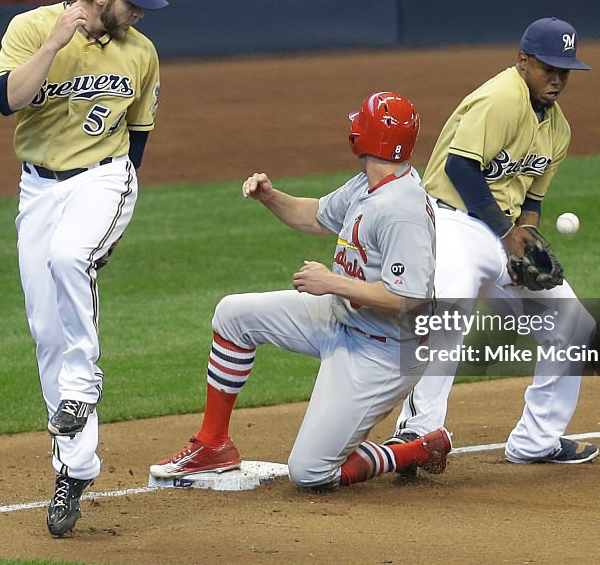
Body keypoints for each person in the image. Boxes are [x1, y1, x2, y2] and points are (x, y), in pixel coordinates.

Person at [150, 92, 452, 491]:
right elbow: (315, 217)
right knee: (233, 315)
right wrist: (269, 197)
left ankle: (414, 448)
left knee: (311, 472)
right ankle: (213, 444)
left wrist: (332, 283)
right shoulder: (370, 184)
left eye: (359, 121)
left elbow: (409, 298)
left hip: (383, 350)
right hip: (341, 318)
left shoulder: (403, 209)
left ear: (366, 135)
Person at [0, 0, 168, 536]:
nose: (140, 13)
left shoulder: (142, 54)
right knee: (46, 331)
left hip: (104, 177)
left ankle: (85, 384)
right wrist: (53, 46)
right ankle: (74, 467)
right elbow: (6, 101)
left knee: (71, 255)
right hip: (39, 189)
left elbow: (137, 139)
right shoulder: (31, 28)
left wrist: (109, 223)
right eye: (131, 2)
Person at [388, 17, 600, 467]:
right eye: (548, 68)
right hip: (451, 223)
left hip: (500, 232)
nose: (558, 79)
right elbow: (460, 169)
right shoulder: (501, 98)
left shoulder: (558, 130)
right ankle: (415, 435)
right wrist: (507, 233)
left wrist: (527, 240)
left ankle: (536, 441)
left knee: (573, 326)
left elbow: (532, 199)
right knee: (448, 316)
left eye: (565, 71)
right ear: (523, 61)